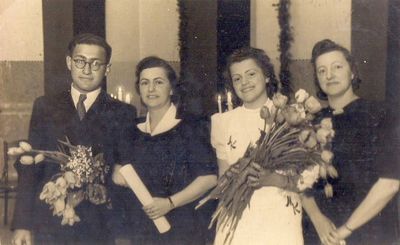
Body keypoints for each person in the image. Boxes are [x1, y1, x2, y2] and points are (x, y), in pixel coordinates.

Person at [12, 33, 137, 245]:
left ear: (107, 68)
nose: (87, 70)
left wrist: (123, 233)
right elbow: (31, 168)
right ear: (69, 62)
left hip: (99, 225)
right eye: (80, 61)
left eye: (96, 63)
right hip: (50, 222)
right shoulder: (45, 106)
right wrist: (22, 223)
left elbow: (125, 171)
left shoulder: (123, 113)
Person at [302, 39, 399, 245]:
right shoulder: (311, 123)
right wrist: (318, 220)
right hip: (321, 234)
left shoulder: (380, 114)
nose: (329, 75)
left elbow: (390, 182)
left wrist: (346, 230)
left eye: (337, 67)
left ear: (352, 72)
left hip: (368, 231)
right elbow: (297, 179)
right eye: (321, 70)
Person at [111, 56, 218, 245]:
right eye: (145, 83)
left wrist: (170, 203)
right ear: (139, 89)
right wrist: (117, 174)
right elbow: (119, 168)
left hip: (183, 226)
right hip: (143, 228)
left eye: (158, 82)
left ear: (171, 88)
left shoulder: (191, 126)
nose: (151, 89)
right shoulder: (132, 130)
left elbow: (209, 178)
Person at [211, 47, 304, 245]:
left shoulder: (291, 117)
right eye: (237, 78)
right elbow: (222, 180)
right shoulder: (222, 122)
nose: (244, 83)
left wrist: (271, 178)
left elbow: (305, 181)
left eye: (251, 74)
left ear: (267, 76)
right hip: (237, 218)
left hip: (279, 215)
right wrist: (232, 175)